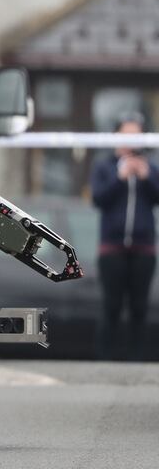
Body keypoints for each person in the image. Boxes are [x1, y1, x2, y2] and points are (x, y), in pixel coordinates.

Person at [90, 111, 159, 361]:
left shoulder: (151, 166)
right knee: (111, 306)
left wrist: (146, 176)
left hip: (143, 247)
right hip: (112, 248)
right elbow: (98, 198)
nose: (132, 140)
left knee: (139, 307)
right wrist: (120, 178)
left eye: (137, 134)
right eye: (127, 134)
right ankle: (106, 359)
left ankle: (137, 361)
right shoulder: (104, 166)